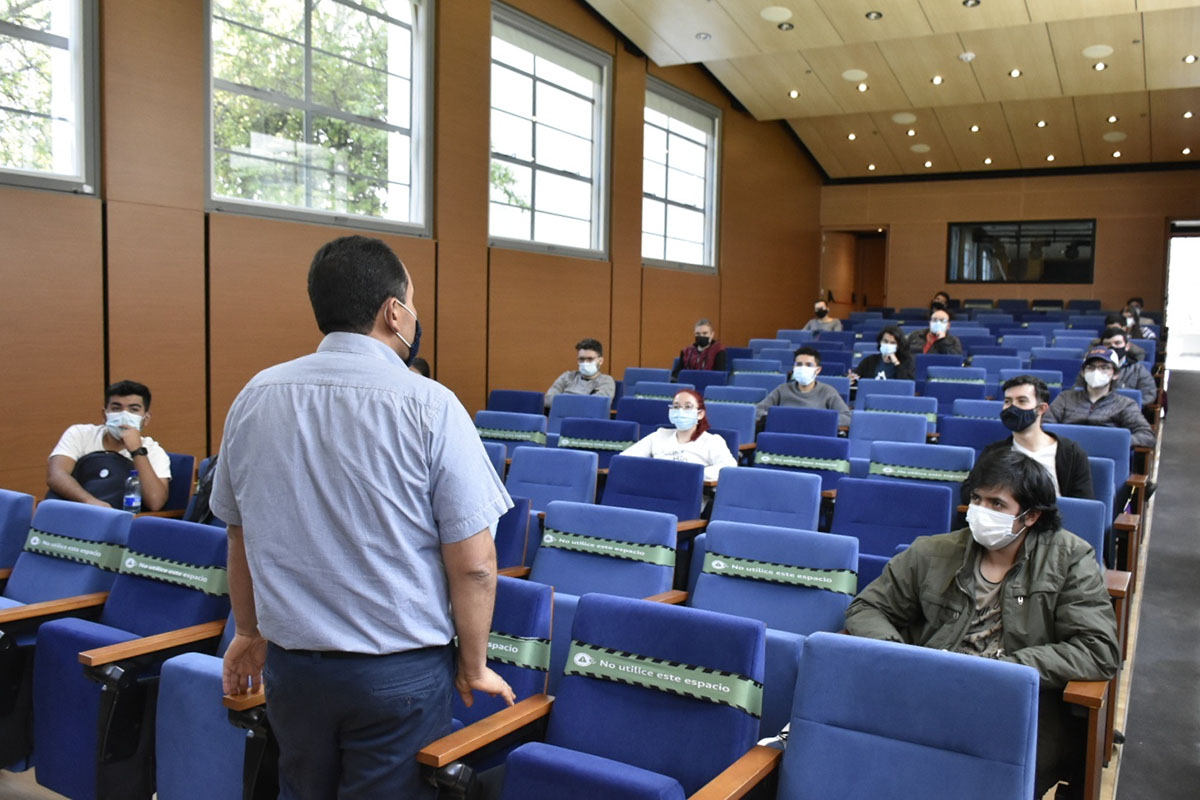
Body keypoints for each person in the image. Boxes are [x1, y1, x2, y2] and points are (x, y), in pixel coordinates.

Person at [212, 235, 515, 799]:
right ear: (392, 311)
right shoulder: (430, 403)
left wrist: (249, 631)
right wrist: (473, 666)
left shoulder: (255, 395)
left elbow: (240, 534)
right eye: (413, 303)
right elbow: (474, 565)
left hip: (293, 671)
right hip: (396, 676)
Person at [846, 448, 1120, 799]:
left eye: (997, 504)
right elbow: (867, 607)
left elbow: (1097, 649)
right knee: (877, 765)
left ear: (1031, 516)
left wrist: (1005, 668)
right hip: (930, 688)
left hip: (1018, 702)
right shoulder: (933, 551)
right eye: (976, 499)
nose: (980, 512)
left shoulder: (1069, 559)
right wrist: (902, 657)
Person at [46, 379, 171, 511]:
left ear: (146, 419)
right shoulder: (79, 434)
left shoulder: (154, 452)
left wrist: (137, 451)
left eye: (134, 410)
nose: (124, 415)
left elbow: (155, 502)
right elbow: (56, 475)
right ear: (105, 415)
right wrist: (89, 502)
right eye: (116, 408)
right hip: (71, 513)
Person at [982, 375, 1093, 499]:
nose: (1012, 407)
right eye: (1008, 401)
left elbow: (1083, 503)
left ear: (1041, 409)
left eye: (1022, 401)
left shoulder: (1071, 452)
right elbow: (971, 492)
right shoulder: (993, 453)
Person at [620, 389, 737, 482]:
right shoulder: (659, 435)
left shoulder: (712, 441)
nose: (681, 411)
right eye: (676, 407)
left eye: (688, 407)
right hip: (654, 488)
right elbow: (625, 458)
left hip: (689, 494)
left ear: (700, 414)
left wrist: (690, 474)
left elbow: (728, 467)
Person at [1046, 348, 1154, 448]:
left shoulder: (1125, 404)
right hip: (1067, 452)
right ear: (1083, 373)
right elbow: (1045, 425)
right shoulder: (1065, 397)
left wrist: (1112, 441)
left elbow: (1146, 436)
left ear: (1115, 374)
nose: (1096, 372)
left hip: (1105, 452)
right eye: (1091, 367)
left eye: (1104, 368)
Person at [755, 347, 851, 426]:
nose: (803, 368)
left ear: (818, 370)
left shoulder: (828, 391)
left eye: (809, 365)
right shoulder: (782, 389)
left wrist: (816, 419)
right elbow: (757, 411)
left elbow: (847, 418)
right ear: (794, 367)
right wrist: (778, 416)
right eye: (799, 364)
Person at [1075, 327, 1156, 406]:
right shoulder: (1090, 369)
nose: (1112, 347)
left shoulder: (1138, 369)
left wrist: (1127, 407)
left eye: (1117, 343)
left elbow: (1149, 394)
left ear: (1127, 346)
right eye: (1107, 344)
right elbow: (1076, 391)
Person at [544, 338, 616, 408]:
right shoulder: (567, 376)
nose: (585, 362)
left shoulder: (606, 380)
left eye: (590, 359)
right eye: (581, 359)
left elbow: (596, 404)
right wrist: (580, 402)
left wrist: (564, 400)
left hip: (586, 418)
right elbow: (547, 400)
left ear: (600, 361)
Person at [848, 325, 915, 381]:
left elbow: (906, 385)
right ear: (880, 342)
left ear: (898, 346)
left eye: (892, 343)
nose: (888, 345)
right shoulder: (869, 361)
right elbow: (856, 377)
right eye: (885, 341)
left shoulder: (906, 362)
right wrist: (851, 378)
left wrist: (896, 362)